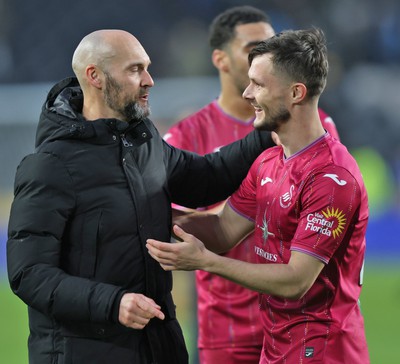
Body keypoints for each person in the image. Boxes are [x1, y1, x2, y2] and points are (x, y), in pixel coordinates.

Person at [6, 29, 273, 364]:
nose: (149, 80)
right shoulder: (49, 166)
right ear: (95, 77)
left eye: (147, 68)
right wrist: (112, 303)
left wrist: (268, 129)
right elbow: (29, 273)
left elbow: (207, 178)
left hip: (156, 347)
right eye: (134, 70)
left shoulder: (144, 144)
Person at [147, 28, 370, 363]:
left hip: (323, 349)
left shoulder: (332, 177)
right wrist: (141, 210)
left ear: (296, 93)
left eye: (260, 84)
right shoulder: (268, 161)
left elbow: (296, 280)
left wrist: (206, 262)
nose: (248, 93)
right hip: (277, 343)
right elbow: (222, 230)